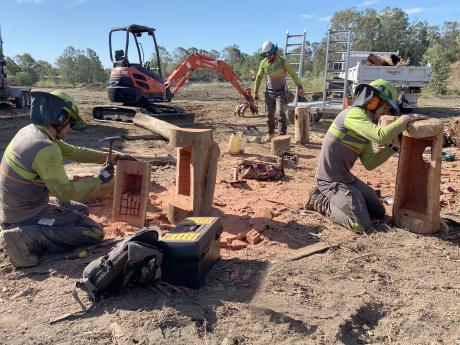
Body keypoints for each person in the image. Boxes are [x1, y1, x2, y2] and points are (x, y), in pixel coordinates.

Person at [0, 91, 131, 268]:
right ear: (61, 118)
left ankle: (27, 230)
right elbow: (64, 192)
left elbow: (74, 152)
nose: (69, 130)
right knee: (93, 232)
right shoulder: (46, 148)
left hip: (19, 207)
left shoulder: (33, 132)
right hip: (25, 215)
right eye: (71, 123)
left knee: (81, 210)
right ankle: (24, 237)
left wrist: (111, 157)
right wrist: (100, 179)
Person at [304, 79, 426, 233]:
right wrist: (405, 119)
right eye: (386, 106)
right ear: (373, 100)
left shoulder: (365, 126)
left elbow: (369, 163)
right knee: (361, 225)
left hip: (347, 179)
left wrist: (394, 147)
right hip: (330, 180)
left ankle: (346, 199)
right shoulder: (352, 114)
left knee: (378, 212)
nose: (386, 112)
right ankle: (319, 200)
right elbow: (380, 136)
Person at [253, 41, 304, 140]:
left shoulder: (283, 62)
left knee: (280, 113)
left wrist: (300, 86)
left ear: (275, 52)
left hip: (281, 92)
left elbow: (293, 74)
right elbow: (259, 77)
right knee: (269, 115)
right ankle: (271, 134)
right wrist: (255, 91)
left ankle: (282, 137)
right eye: (266, 56)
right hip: (269, 92)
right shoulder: (263, 63)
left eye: (270, 55)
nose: (268, 57)